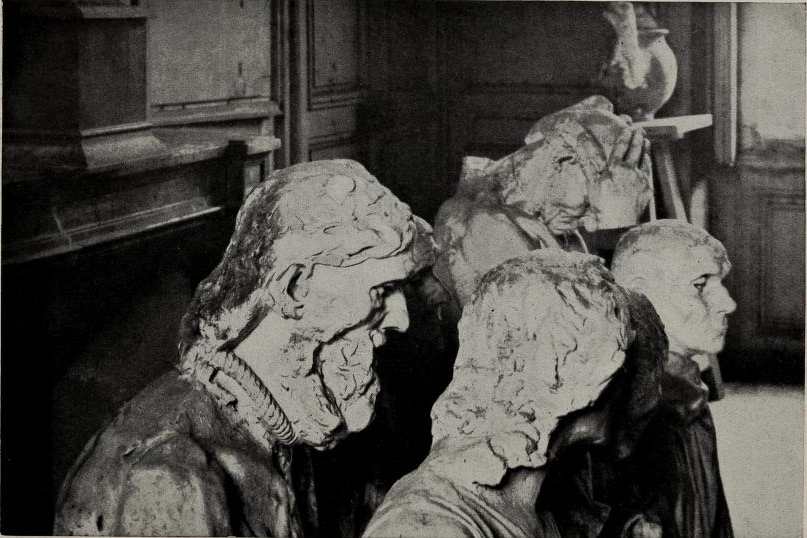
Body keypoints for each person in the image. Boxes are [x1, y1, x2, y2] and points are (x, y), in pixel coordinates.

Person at [54, 159, 436, 537]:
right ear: (294, 288)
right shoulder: (166, 478)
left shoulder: (297, 410)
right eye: (382, 290)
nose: (401, 318)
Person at [363, 250, 665, 538]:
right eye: (621, 364)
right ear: (585, 374)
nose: (627, 384)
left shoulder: (537, 500)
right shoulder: (427, 526)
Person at [432, 95, 653, 312]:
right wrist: (620, 221)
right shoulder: (486, 226)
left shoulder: (551, 227)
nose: (590, 224)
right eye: (589, 204)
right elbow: (593, 328)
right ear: (564, 159)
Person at [609, 219, 737, 538]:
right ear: (640, 292)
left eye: (719, 284)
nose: (728, 304)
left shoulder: (687, 391)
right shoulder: (640, 411)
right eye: (699, 285)